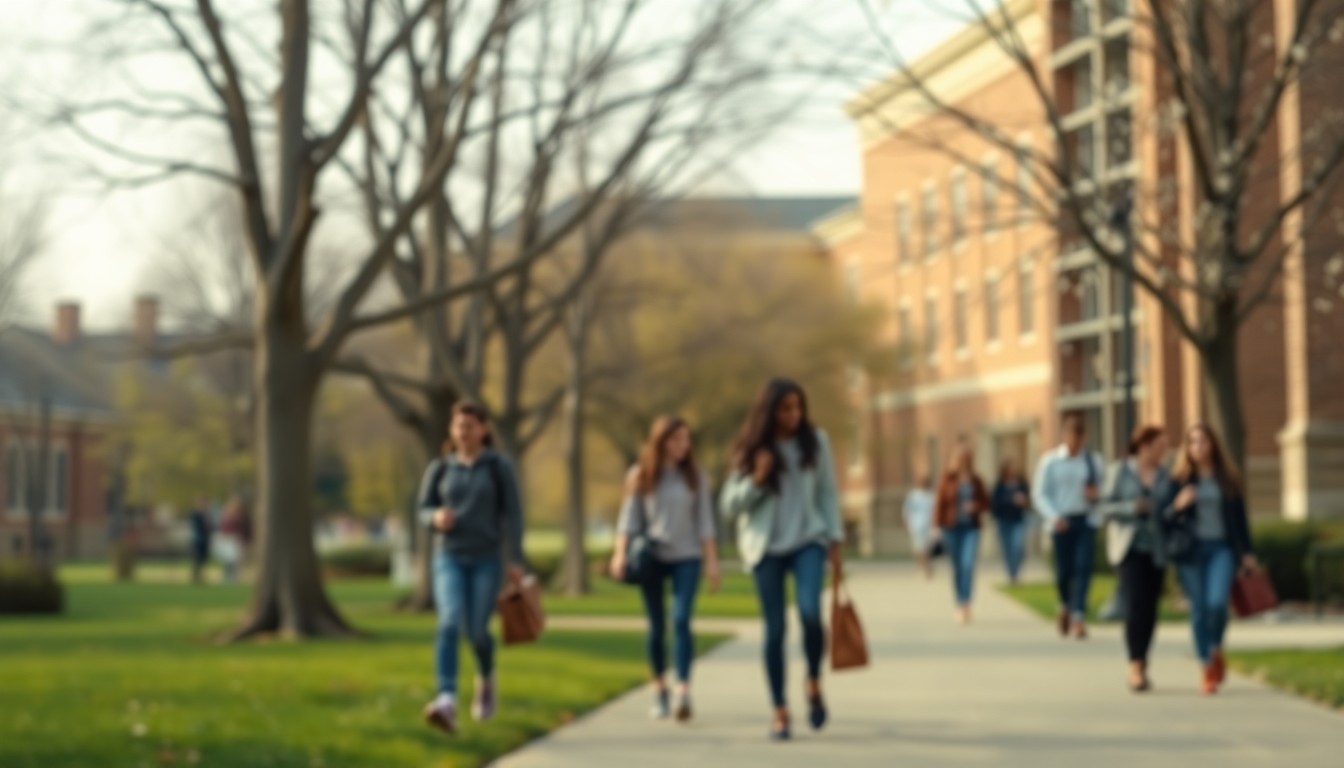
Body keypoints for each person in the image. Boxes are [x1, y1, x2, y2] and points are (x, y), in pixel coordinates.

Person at [720, 378, 843, 742]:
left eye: (798, 407)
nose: (795, 415)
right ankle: (779, 710)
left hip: (808, 540)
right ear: (770, 410)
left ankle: (813, 681)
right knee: (774, 631)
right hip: (766, 548)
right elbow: (728, 506)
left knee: (809, 612)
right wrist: (757, 480)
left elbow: (827, 493)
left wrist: (834, 539)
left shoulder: (815, 441)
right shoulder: (752, 447)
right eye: (786, 408)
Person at [417, 402, 528, 734]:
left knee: (478, 631)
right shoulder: (439, 468)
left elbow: (514, 514)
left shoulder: (498, 467)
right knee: (449, 621)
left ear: (483, 429)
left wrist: (516, 560)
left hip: (487, 558)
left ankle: (486, 677)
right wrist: (434, 517)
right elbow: (422, 509)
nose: (463, 432)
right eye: (458, 426)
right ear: (451, 430)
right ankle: (447, 699)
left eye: (470, 425)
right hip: (448, 556)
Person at [609, 416, 721, 723]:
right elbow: (628, 520)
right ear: (661, 443)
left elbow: (706, 523)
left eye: (686, 439)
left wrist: (712, 563)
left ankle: (682, 689)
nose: (683, 446)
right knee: (657, 626)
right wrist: (620, 554)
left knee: (681, 619)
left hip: (687, 556)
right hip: (653, 557)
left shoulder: (696, 476)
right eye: (676, 440)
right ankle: (660, 689)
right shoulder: (640, 475)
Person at [1165, 424, 1258, 695]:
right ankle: (1206, 666)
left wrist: (1248, 553)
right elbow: (1165, 519)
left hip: (1221, 550)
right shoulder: (1178, 479)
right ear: (1187, 448)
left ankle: (1215, 647)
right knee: (1199, 609)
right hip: (1190, 552)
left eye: (1203, 441)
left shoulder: (1227, 479)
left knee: (1217, 604)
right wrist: (1177, 506)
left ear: (1213, 445)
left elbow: (1240, 520)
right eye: (1192, 442)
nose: (1198, 447)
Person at [1096, 425, 1172, 692]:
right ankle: (1135, 665)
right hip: (1128, 548)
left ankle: (1143, 660)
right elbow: (1104, 506)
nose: (1164, 451)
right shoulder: (1120, 471)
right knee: (1136, 603)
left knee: (1151, 608)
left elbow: (1169, 508)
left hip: (1157, 549)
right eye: (1159, 446)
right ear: (1144, 446)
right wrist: (1131, 508)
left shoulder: (1165, 474)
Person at [1032, 412, 1104, 640]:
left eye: (1079, 436)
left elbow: (1104, 490)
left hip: (1085, 520)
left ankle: (1078, 617)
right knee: (1064, 572)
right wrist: (1054, 517)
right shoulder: (1050, 461)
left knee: (1083, 569)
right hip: (1061, 522)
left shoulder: (1093, 462)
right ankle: (1065, 604)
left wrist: (1096, 496)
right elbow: (1040, 494)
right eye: (1071, 435)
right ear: (1065, 435)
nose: (1075, 441)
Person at [935, 444, 989, 624]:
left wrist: (976, 507)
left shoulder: (975, 480)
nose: (961, 461)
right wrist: (936, 527)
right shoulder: (947, 479)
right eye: (958, 458)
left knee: (967, 565)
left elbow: (987, 502)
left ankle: (966, 603)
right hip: (951, 528)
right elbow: (939, 504)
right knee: (957, 567)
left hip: (970, 528)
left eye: (964, 458)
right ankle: (959, 601)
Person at [990, 458, 1031, 585]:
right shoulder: (1000, 485)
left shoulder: (1022, 484)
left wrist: (1023, 502)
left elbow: (1029, 502)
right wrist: (1010, 500)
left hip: (1017, 519)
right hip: (1003, 521)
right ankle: (1012, 574)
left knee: (1017, 547)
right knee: (1007, 549)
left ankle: (1016, 571)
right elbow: (994, 503)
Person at [902, 475, 936, 580]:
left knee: (927, 547)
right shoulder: (913, 495)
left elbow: (936, 510)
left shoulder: (932, 495)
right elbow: (906, 510)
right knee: (919, 547)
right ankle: (923, 567)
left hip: (929, 525)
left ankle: (926, 566)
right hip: (916, 525)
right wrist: (907, 523)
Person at [216, 500, 245, 583]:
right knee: (227, 560)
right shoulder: (226, 517)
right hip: (228, 540)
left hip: (236, 540)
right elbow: (222, 529)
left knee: (235, 560)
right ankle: (226, 576)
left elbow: (243, 530)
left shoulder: (240, 518)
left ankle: (234, 577)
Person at [187, 497, 212, 585]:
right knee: (197, 558)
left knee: (203, 559)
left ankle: (200, 575)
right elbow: (196, 526)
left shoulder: (207, 514)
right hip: (198, 539)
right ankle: (195, 576)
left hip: (205, 539)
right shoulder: (196, 514)